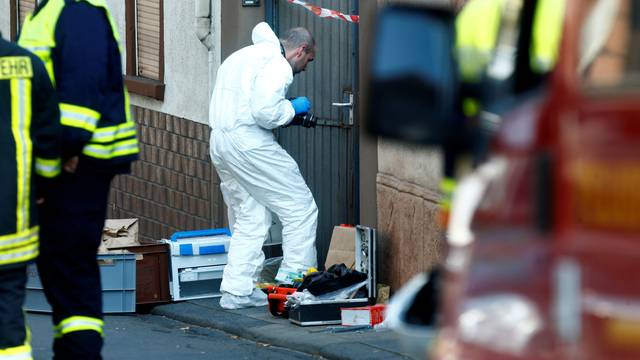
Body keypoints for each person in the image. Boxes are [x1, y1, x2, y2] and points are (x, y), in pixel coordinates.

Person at [18, 0, 139, 358]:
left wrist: (56, 157)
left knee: (70, 270)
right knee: (62, 270)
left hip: (77, 166)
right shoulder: (54, 10)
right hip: (72, 164)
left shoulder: (76, 10)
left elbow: (79, 96)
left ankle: (80, 352)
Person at [209, 22, 318, 309]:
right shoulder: (276, 63)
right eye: (308, 60)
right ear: (301, 50)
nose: (305, 67)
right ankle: (294, 288)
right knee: (300, 207)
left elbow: (248, 103)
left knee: (251, 216)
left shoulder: (241, 56)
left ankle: (237, 291)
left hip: (220, 140)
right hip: (249, 142)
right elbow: (265, 112)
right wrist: (294, 108)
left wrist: (286, 111)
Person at [0, 32, 61, 360]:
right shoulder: (28, 65)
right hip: (14, 211)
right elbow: (49, 135)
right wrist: (44, 187)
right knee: (8, 297)